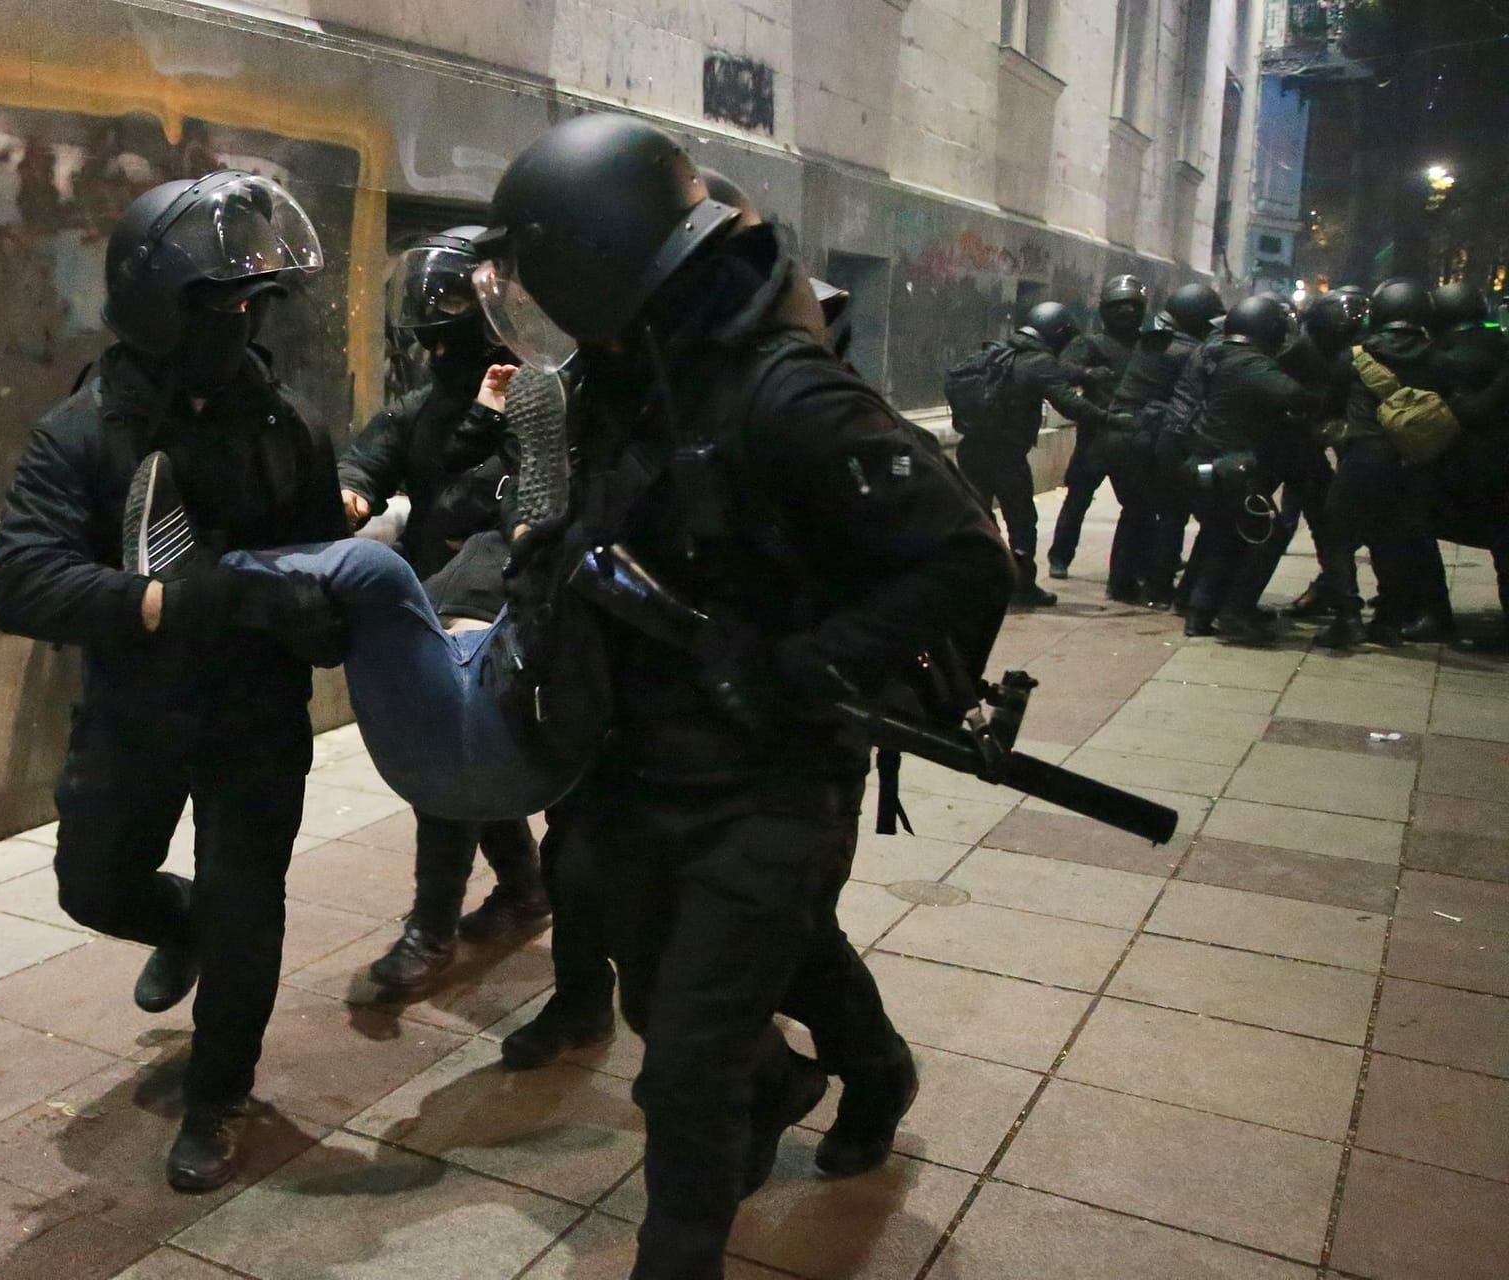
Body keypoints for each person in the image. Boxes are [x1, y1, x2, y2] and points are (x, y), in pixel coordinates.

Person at [476, 114, 1014, 1279]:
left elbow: (965, 557)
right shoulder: (634, 376)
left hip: (771, 773)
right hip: (641, 758)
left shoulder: (785, 393)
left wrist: (809, 667)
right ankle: (856, 1070)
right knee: (673, 1000)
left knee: (689, 1060)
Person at [0, 170, 350, 1193]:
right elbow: (23, 579)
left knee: (249, 908)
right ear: (160, 306)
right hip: (136, 709)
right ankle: (177, 924)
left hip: (254, 717)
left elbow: (323, 566)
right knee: (92, 880)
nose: (240, 325)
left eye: (252, 305)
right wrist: (162, 603)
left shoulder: (286, 429)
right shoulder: (84, 430)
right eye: (221, 304)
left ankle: (220, 1092)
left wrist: (320, 618)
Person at [339, 228, 549, 990]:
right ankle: (526, 889)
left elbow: (535, 500)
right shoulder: (421, 410)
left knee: (452, 766)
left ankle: (431, 932)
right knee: (469, 759)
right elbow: (369, 456)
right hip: (437, 607)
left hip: (505, 611)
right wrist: (349, 490)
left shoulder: (538, 396)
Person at [950, 301, 1119, 608]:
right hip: (1006, 455)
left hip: (971, 448)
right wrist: (1108, 418)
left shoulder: (997, 352)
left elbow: (1060, 374)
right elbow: (1069, 403)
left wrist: (1086, 375)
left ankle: (973, 582)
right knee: (1022, 522)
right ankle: (1022, 586)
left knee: (978, 517)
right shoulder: (1039, 361)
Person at [1173, 294, 1320, 642]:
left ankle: (1198, 614)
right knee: (1265, 535)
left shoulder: (1214, 352)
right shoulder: (1252, 363)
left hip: (1204, 463)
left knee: (1220, 542)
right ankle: (1235, 613)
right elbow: (1295, 396)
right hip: (1233, 469)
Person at [1330, 280, 1456, 643]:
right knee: (1394, 539)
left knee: (1337, 535)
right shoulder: (1438, 359)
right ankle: (1389, 620)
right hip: (1414, 461)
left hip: (1364, 457)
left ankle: (1347, 617)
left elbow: (1331, 406)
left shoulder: (1355, 357)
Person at [1097, 282, 1227, 607]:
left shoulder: (1153, 341)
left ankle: (1122, 583)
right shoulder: (1187, 352)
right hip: (1144, 437)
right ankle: (1158, 586)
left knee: (1136, 511)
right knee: (1171, 513)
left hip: (1118, 435)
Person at [1278, 291, 1369, 645]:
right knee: (1320, 529)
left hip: (1312, 450)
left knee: (1326, 530)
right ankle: (1342, 600)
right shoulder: (1308, 353)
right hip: (1305, 448)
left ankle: (1343, 602)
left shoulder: (1336, 354)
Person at [1049, 275, 1147, 581]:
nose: (1126, 312)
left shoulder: (1147, 345)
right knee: (1077, 500)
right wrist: (1089, 374)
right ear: (1106, 309)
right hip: (1095, 436)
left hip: (1132, 435)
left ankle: (1133, 564)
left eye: (1131, 306)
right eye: (1118, 306)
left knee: (1137, 507)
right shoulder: (1089, 343)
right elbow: (1061, 370)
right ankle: (1060, 557)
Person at [1428, 281, 1509, 649]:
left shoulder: (1449, 357)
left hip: (1478, 469)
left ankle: (1431, 611)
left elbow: (1468, 412)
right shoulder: (1498, 344)